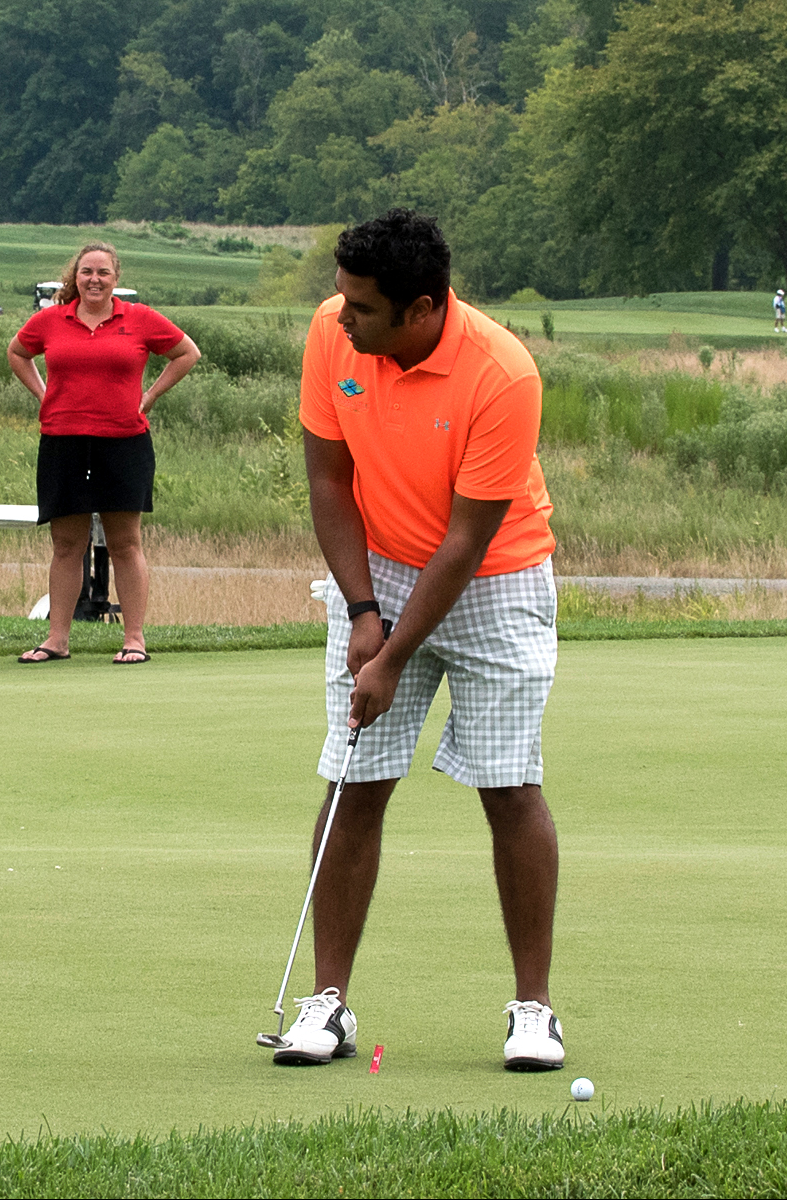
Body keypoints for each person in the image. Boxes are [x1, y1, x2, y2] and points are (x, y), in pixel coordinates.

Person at [269, 209, 568, 1073]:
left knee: (509, 784)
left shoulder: (502, 373)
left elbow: (468, 541)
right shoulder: (335, 334)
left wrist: (395, 656)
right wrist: (364, 609)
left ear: (423, 308)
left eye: (362, 306)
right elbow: (328, 478)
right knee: (354, 778)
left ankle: (533, 1009)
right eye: (343, 298)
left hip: (496, 580)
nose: (341, 314)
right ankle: (327, 1002)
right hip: (381, 568)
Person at [3, 243, 201, 664]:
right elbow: (17, 353)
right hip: (63, 439)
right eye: (87, 272)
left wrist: (150, 395)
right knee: (66, 544)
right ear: (75, 276)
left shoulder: (140, 319)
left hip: (124, 440)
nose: (94, 279)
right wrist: (42, 393)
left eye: (103, 273)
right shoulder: (51, 320)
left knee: (125, 542)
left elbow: (187, 353)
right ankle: (56, 639)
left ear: (116, 278)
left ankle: (133, 639)